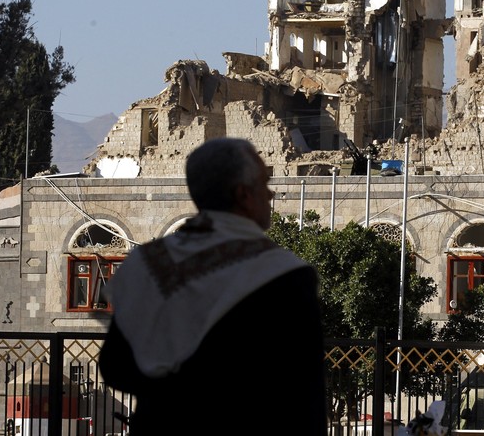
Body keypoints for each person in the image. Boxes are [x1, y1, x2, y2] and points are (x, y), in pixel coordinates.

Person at [99, 137, 327, 435]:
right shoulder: (283, 275)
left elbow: (116, 367)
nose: (271, 194)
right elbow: (303, 396)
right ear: (244, 194)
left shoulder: (147, 264)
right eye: (264, 183)